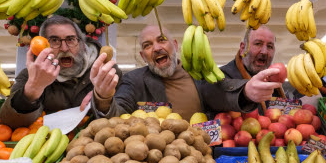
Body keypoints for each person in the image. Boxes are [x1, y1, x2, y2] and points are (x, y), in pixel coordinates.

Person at [84, 25, 282, 119]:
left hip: (200, 156)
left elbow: (221, 93)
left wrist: (247, 91)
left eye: (162, 40)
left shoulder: (199, 73)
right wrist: (103, 98)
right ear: (143, 56)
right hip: (157, 161)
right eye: (147, 45)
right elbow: (119, 113)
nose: (156, 48)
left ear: (175, 45)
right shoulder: (134, 81)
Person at [0, 16, 120, 129]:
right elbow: (10, 123)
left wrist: (103, 98)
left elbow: (123, 118)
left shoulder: (107, 72)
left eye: (71, 39)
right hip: (48, 146)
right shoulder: (30, 75)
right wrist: (33, 88)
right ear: (44, 46)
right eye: (54, 40)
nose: (64, 48)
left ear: (82, 44)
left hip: (94, 146)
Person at [221, 26, 320, 111]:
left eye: (270, 46)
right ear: (243, 48)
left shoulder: (274, 83)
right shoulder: (222, 76)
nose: (264, 51)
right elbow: (211, 95)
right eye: (258, 44)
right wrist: (245, 93)